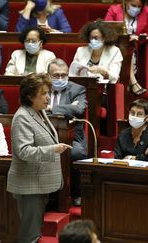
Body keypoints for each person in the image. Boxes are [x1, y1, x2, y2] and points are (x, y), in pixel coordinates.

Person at [7, 73, 72, 242]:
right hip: (29, 186)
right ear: (30, 96)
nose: (48, 97)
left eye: (48, 92)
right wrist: (53, 149)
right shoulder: (22, 117)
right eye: (43, 93)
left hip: (38, 184)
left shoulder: (38, 112)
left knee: (34, 232)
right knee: (30, 236)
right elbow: (23, 151)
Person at [47, 58, 88, 206]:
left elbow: (79, 109)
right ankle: (45, 194)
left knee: (77, 153)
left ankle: (76, 193)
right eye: (56, 75)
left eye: (63, 75)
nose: (60, 79)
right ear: (48, 76)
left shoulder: (77, 89)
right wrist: (69, 107)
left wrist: (52, 108)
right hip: (43, 134)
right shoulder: (41, 88)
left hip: (71, 138)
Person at [104, 0, 148, 95]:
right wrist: (124, 37)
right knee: (123, 48)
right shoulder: (114, 10)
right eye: (133, 5)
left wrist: (139, 37)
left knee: (126, 48)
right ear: (126, 3)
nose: (136, 8)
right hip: (114, 45)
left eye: (139, 6)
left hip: (135, 48)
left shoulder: (147, 11)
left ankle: (128, 83)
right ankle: (133, 82)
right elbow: (106, 30)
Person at [69, 20, 123, 84]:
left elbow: (114, 77)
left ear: (104, 38)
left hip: (103, 89)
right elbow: (72, 74)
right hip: (81, 88)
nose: (93, 41)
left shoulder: (114, 52)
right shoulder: (81, 51)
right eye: (91, 38)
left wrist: (102, 71)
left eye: (96, 38)